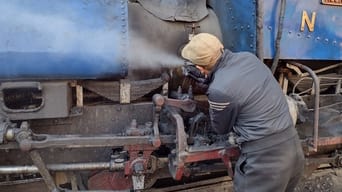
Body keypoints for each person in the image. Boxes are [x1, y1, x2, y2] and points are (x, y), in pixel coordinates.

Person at [181, 33, 304, 192]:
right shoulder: (248, 58)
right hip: (293, 148)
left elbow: (221, 129)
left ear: (199, 68)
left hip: (266, 163)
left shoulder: (219, 90)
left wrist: (211, 89)